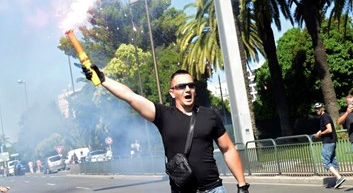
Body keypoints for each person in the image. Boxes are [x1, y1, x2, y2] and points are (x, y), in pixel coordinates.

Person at [82, 65, 250, 193]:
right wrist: (103, 79)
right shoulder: (163, 115)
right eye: (181, 86)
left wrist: (242, 185)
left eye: (190, 86)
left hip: (214, 189)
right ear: (172, 92)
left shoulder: (210, 115)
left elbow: (228, 149)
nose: (187, 90)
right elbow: (131, 97)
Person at [312, 103, 345, 188]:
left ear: (322, 108)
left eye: (319, 108)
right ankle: (338, 180)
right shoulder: (325, 117)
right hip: (332, 141)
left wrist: (320, 134)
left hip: (328, 142)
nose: (317, 110)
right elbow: (325, 127)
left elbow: (329, 129)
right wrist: (319, 132)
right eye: (316, 109)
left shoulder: (325, 117)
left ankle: (339, 177)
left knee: (326, 162)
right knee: (333, 160)